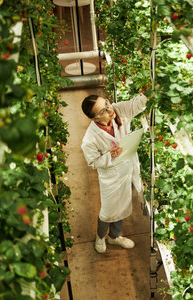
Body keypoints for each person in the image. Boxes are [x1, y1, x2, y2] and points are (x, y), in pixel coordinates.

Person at [81, 93, 147, 253]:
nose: (109, 109)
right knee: (108, 210)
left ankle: (115, 237)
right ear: (94, 118)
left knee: (123, 205)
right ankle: (100, 236)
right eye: (103, 110)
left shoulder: (118, 110)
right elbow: (93, 162)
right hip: (111, 176)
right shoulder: (90, 139)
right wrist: (110, 155)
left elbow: (136, 104)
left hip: (128, 168)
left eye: (107, 104)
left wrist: (150, 89)